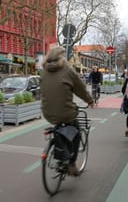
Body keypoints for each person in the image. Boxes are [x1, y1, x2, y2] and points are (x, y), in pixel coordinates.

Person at [40, 47, 94, 176]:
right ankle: (71, 164)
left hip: (47, 112)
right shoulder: (67, 70)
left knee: (59, 125)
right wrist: (90, 101)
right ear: (61, 57)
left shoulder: (44, 71)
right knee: (75, 132)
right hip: (65, 112)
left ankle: (60, 152)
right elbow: (80, 88)